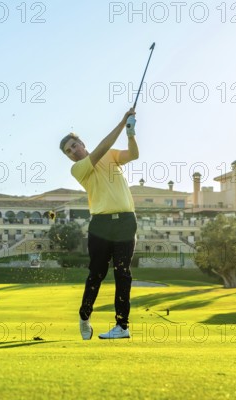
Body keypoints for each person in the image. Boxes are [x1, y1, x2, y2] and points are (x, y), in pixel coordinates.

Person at [59, 108, 138, 340]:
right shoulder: (79, 168)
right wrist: (123, 122)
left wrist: (131, 134)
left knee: (123, 273)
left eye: (74, 145)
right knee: (96, 274)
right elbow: (102, 148)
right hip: (101, 225)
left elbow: (133, 155)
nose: (73, 152)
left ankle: (122, 326)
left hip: (125, 221)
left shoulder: (110, 155)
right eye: (68, 151)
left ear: (81, 142)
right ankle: (85, 317)